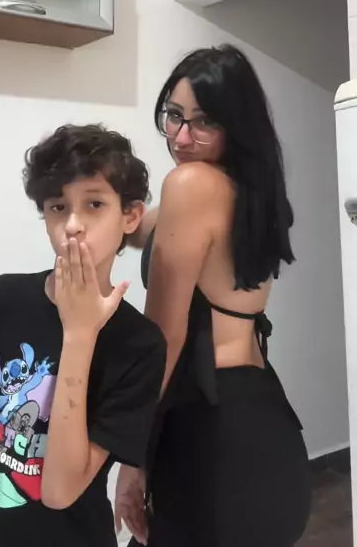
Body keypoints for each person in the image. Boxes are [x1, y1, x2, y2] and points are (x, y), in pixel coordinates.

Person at [115, 44, 312, 547]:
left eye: (204, 121)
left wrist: (131, 455)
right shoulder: (250, 191)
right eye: (174, 116)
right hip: (266, 431)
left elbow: (162, 338)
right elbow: (143, 228)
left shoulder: (190, 184)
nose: (182, 136)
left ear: (234, 126)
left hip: (209, 438)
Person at [0, 123, 167, 547]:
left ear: (131, 216)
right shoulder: (0, 299)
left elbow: (60, 491)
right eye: (58, 207)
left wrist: (80, 334)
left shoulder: (139, 345)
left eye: (95, 204)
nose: (73, 225)